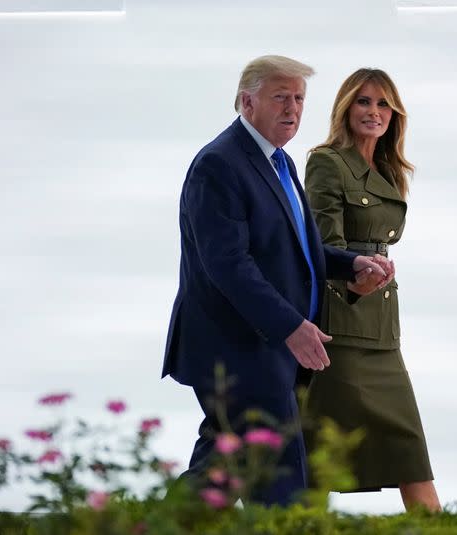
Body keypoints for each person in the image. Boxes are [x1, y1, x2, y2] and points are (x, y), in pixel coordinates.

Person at [161, 56, 392, 506]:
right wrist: (289, 325)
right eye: (280, 97)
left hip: (267, 347)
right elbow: (228, 264)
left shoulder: (279, 162)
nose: (293, 108)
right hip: (238, 346)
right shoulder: (219, 164)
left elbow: (294, 250)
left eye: (300, 98)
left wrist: (351, 265)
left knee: (229, 463)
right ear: (247, 102)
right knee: (279, 476)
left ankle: (158, 526)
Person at [303, 68, 441, 512]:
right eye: (364, 101)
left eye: (383, 104)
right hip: (341, 322)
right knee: (322, 450)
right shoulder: (327, 161)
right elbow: (323, 247)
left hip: (381, 328)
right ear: (346, 107)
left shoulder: (390, 169)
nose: (374, 112)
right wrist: (358, 279)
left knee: (409, 449)